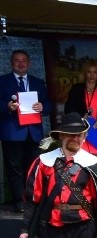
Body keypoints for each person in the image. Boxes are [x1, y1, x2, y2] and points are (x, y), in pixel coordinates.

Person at [1, 50, 52, 212]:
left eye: (24, 61)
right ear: (11, 63)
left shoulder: (38, 82)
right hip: (12, 131)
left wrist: (43, 107)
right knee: (14, 168)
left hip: (33, 131)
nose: (21, 63)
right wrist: (7, 106)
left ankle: (32, 200)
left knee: (34, 168)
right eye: (17, 61)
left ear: (29, 63)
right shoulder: (3, 81)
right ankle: (19, 201)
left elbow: (48, 104)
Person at [64, 61, 97, 155]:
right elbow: (68, 109)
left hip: (96, 131)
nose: (92, 75)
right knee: (79, 162)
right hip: (80, 131)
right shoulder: (76, 89)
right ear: (85, 73)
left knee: (95, 164)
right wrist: (80, 117)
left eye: (95, 72)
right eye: (89, 72)